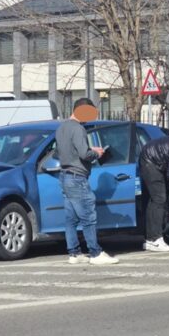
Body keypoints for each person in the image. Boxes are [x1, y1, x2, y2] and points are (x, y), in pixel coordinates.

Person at [55, 98, 119, 265]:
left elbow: (61, 152)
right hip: (77, 177)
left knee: (71, 218)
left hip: (64, 175)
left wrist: (89, 151)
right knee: (88, 217)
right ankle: (95, 253)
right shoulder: (78, 128)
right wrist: (96, 153)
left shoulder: (61, 127)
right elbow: (84, 154)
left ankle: (74, 254)